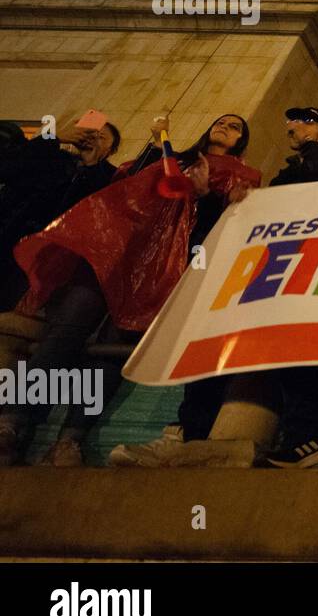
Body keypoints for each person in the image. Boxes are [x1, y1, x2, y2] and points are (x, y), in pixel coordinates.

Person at [1, 113, 260, 467]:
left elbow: (221, 232)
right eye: (220, 121)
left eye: (234, 127)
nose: (224, 127)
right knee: (65, 334)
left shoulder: (242, 176)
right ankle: (14, 422)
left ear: (241, 143)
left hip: (161, 269)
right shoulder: (166, 157)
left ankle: (70, 440)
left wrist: (205, 197)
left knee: (110, 350)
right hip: (113, 255)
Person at [256, 107, 318, 468]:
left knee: (299, 346)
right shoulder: (288, 171)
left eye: (307, 123)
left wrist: (315, 150)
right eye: (293, 124)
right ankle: (299, 437)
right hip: (282, 262)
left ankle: (307, 438)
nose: (295, 128)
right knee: (282, 347)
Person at [0, 116, 121, 310]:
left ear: (110, 150)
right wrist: (52, 137)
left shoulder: (107, 178)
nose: (92, 139)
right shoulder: (51, 156)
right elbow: (10, 167)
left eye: (101, 138)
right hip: (10, 236)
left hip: (43, 258)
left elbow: (90, 213)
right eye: (89, 132)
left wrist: (91, 168)